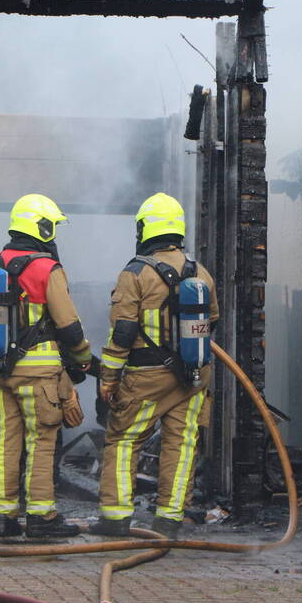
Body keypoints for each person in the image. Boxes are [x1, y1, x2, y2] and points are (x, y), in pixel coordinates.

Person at [94, 192, 219, 539]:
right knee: (181, 444)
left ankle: (115, 517)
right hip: (193, 377)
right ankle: (169, 520)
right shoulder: (201, 273)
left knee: (123, 439)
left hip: (145, 378)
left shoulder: (135, 274)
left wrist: (108, 379)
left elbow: (122, 332)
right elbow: (213, 321)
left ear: (145, 229)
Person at [0, 194, 89, 539]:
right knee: (41, 441)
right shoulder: (46, 269)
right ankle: (41, 518)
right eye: (52, 227)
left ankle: (2, 518)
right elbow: (67, 324)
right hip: (38, 374)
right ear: (41, 227)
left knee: (3, 442)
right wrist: (83, 359)